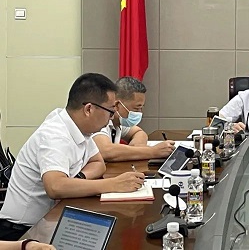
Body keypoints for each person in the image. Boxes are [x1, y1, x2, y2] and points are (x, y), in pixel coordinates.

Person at [0, 73, 145, 240]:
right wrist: (113, 184)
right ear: (89, 109)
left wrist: (78, 178)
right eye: (110, 112)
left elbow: (98, 163)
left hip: (52, 220)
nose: (111, 118)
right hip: (22, 232)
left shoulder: (80, 127)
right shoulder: (54, 135)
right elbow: (55, 187)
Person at [92, 77, 175, 162]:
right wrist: (153, 151)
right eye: (136, 108)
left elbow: (139, 132)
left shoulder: (118, 121)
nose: (140, 113)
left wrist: (137, 148)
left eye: (141, 108)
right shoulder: (100, 120)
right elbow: (106, 151)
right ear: (116, 105)